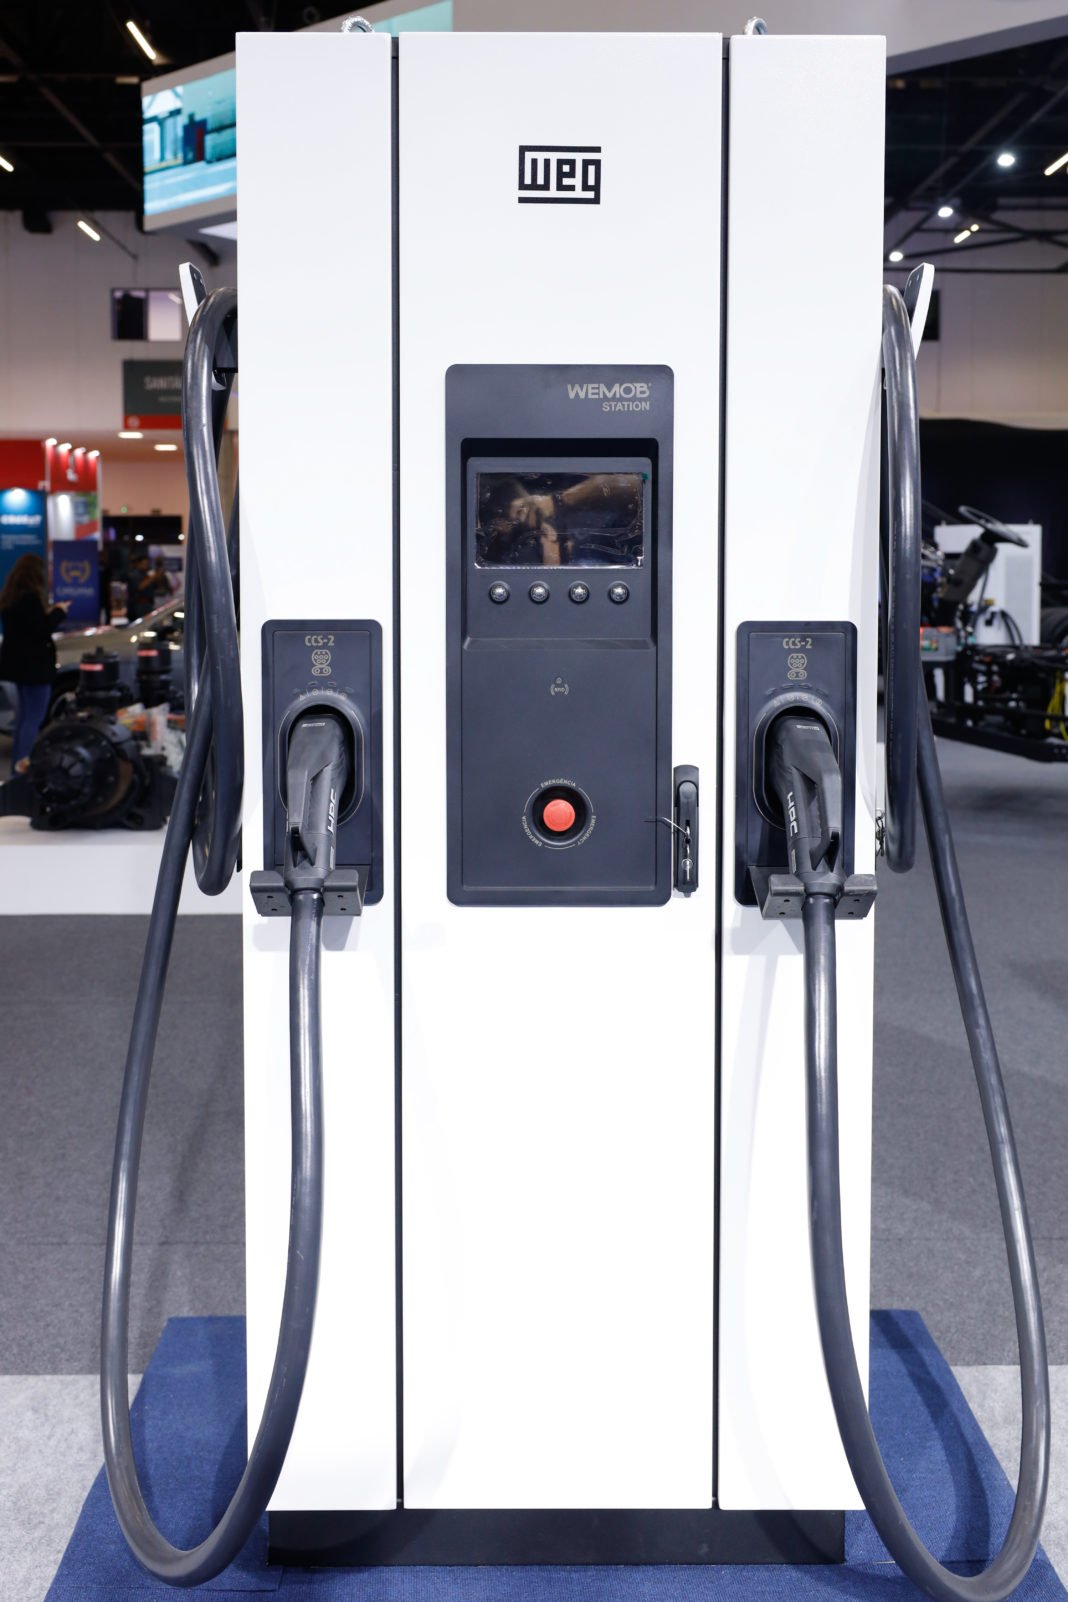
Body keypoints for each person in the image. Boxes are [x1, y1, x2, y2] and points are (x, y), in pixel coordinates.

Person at [0, 554, 69, 773]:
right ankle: (22, 770)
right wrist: (59, 612)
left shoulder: (12, 597)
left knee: (24, 719)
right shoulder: (30, 599)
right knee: (33, 719)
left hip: (18, 667)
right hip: (34, 668)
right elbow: (41, 630)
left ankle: (17, 768)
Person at [127, 551, 168, 621]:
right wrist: (153, 577)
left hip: (149, 603)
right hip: (138, 605)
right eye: (144, 564)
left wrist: (158, 577)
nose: (146, 565)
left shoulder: (147, 573)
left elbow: (156, 586)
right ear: (139, 564)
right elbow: (140, 586)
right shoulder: (134, 574)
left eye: (147, 564)